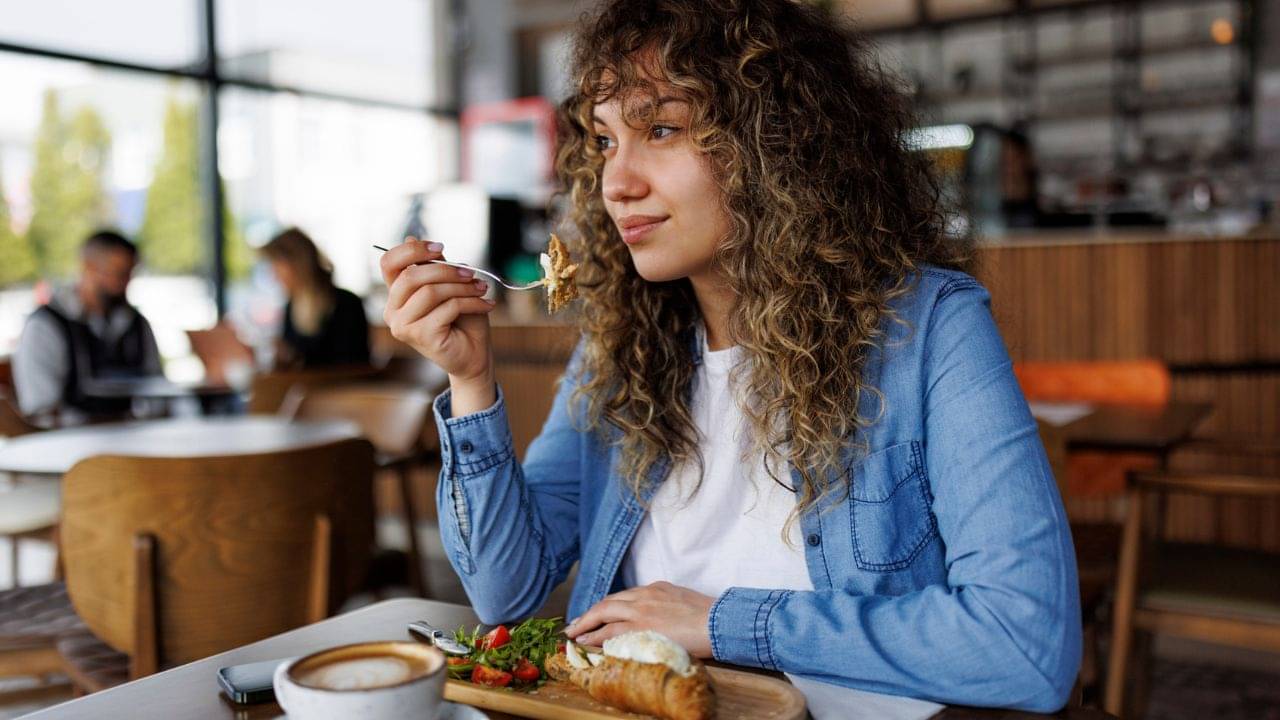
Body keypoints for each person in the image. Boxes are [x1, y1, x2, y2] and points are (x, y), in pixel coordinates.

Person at [380, 0, 1080, 712]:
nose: (616, 182)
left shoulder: (929, 329)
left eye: (660, 128)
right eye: (604, 140)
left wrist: (720, 621)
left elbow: (1026, 645)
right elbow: (508, 590)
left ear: (775, 143)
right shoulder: (619, 347)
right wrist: (469, 379)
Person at [13, 230, 163, 426]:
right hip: (67, 447)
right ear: (88, 267)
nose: (124, 284)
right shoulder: (47, 325)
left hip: (132, 445)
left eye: (129, 274)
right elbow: (41, 409)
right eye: (117, 273)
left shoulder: (136, 324)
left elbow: (158, 390)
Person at [261, 227, 370, 369]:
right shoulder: (290, 307)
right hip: (305, 390)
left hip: (345, 390)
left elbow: (353, 365)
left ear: (296, 264)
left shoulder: (347, 304)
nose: (274, 276)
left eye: (277, 265)